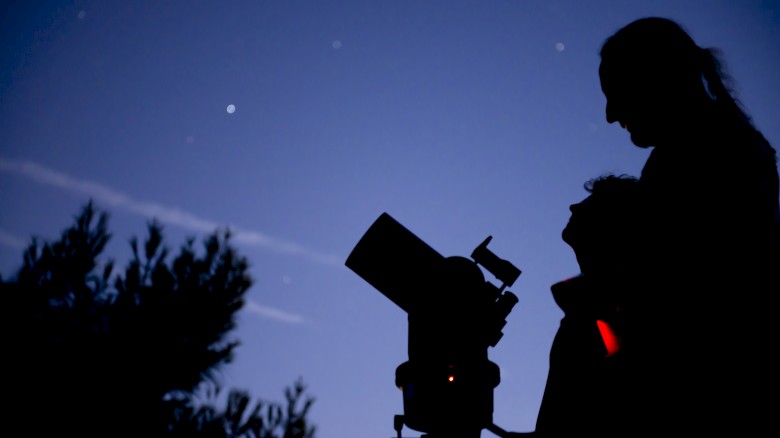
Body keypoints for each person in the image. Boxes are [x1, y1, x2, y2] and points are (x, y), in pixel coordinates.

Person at [597, 17, 780, 435]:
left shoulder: (707, 153)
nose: (610, 115)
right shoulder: (711, 147)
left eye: (617, 93)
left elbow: (691, 288)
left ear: (655, 78)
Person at [533, 174, 640, 437]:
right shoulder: (586, 305)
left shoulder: (611, 310)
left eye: (593, 202)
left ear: (616, 223)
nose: (574, 207)